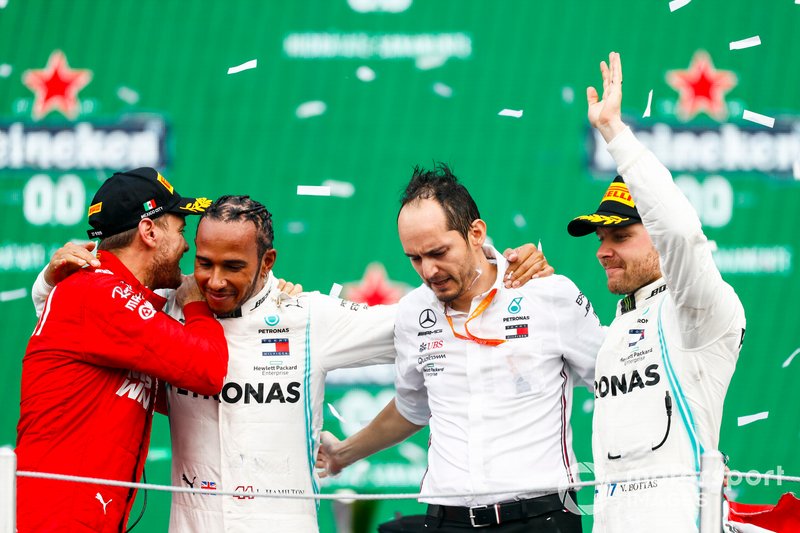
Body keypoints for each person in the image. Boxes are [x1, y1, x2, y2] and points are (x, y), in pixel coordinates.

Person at [34, 194, 547, 532]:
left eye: (234, 267)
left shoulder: (307, 317)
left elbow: (426, 316)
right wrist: (49, 277)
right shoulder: (168, 311)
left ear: (268, 262)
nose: (214, 281)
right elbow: (75, 327)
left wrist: (500, 269)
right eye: (204, 263)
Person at [318, 164, 606, 532]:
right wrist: (343, 454)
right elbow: (411, 408)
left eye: (439, 252)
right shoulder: (413, 313)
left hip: (539, 518)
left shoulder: (547, 294)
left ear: (476, 233)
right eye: (415, 258)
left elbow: (612, 381)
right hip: (447, 519)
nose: (429, 270)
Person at [566, 52, 746, 532]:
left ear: (657, 239)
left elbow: (683, 233)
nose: (603, 251)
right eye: (601, 239)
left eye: (620, 236)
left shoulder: (698, 308)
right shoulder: (618, 327)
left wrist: (614, 133)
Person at [17, 168, 229, 532]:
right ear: (149, 231)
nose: (185, 245)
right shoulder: (101, 295)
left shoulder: (104, 296)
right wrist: (195, 304)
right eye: (180, 230)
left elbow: (182, 396)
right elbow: (207, 370)